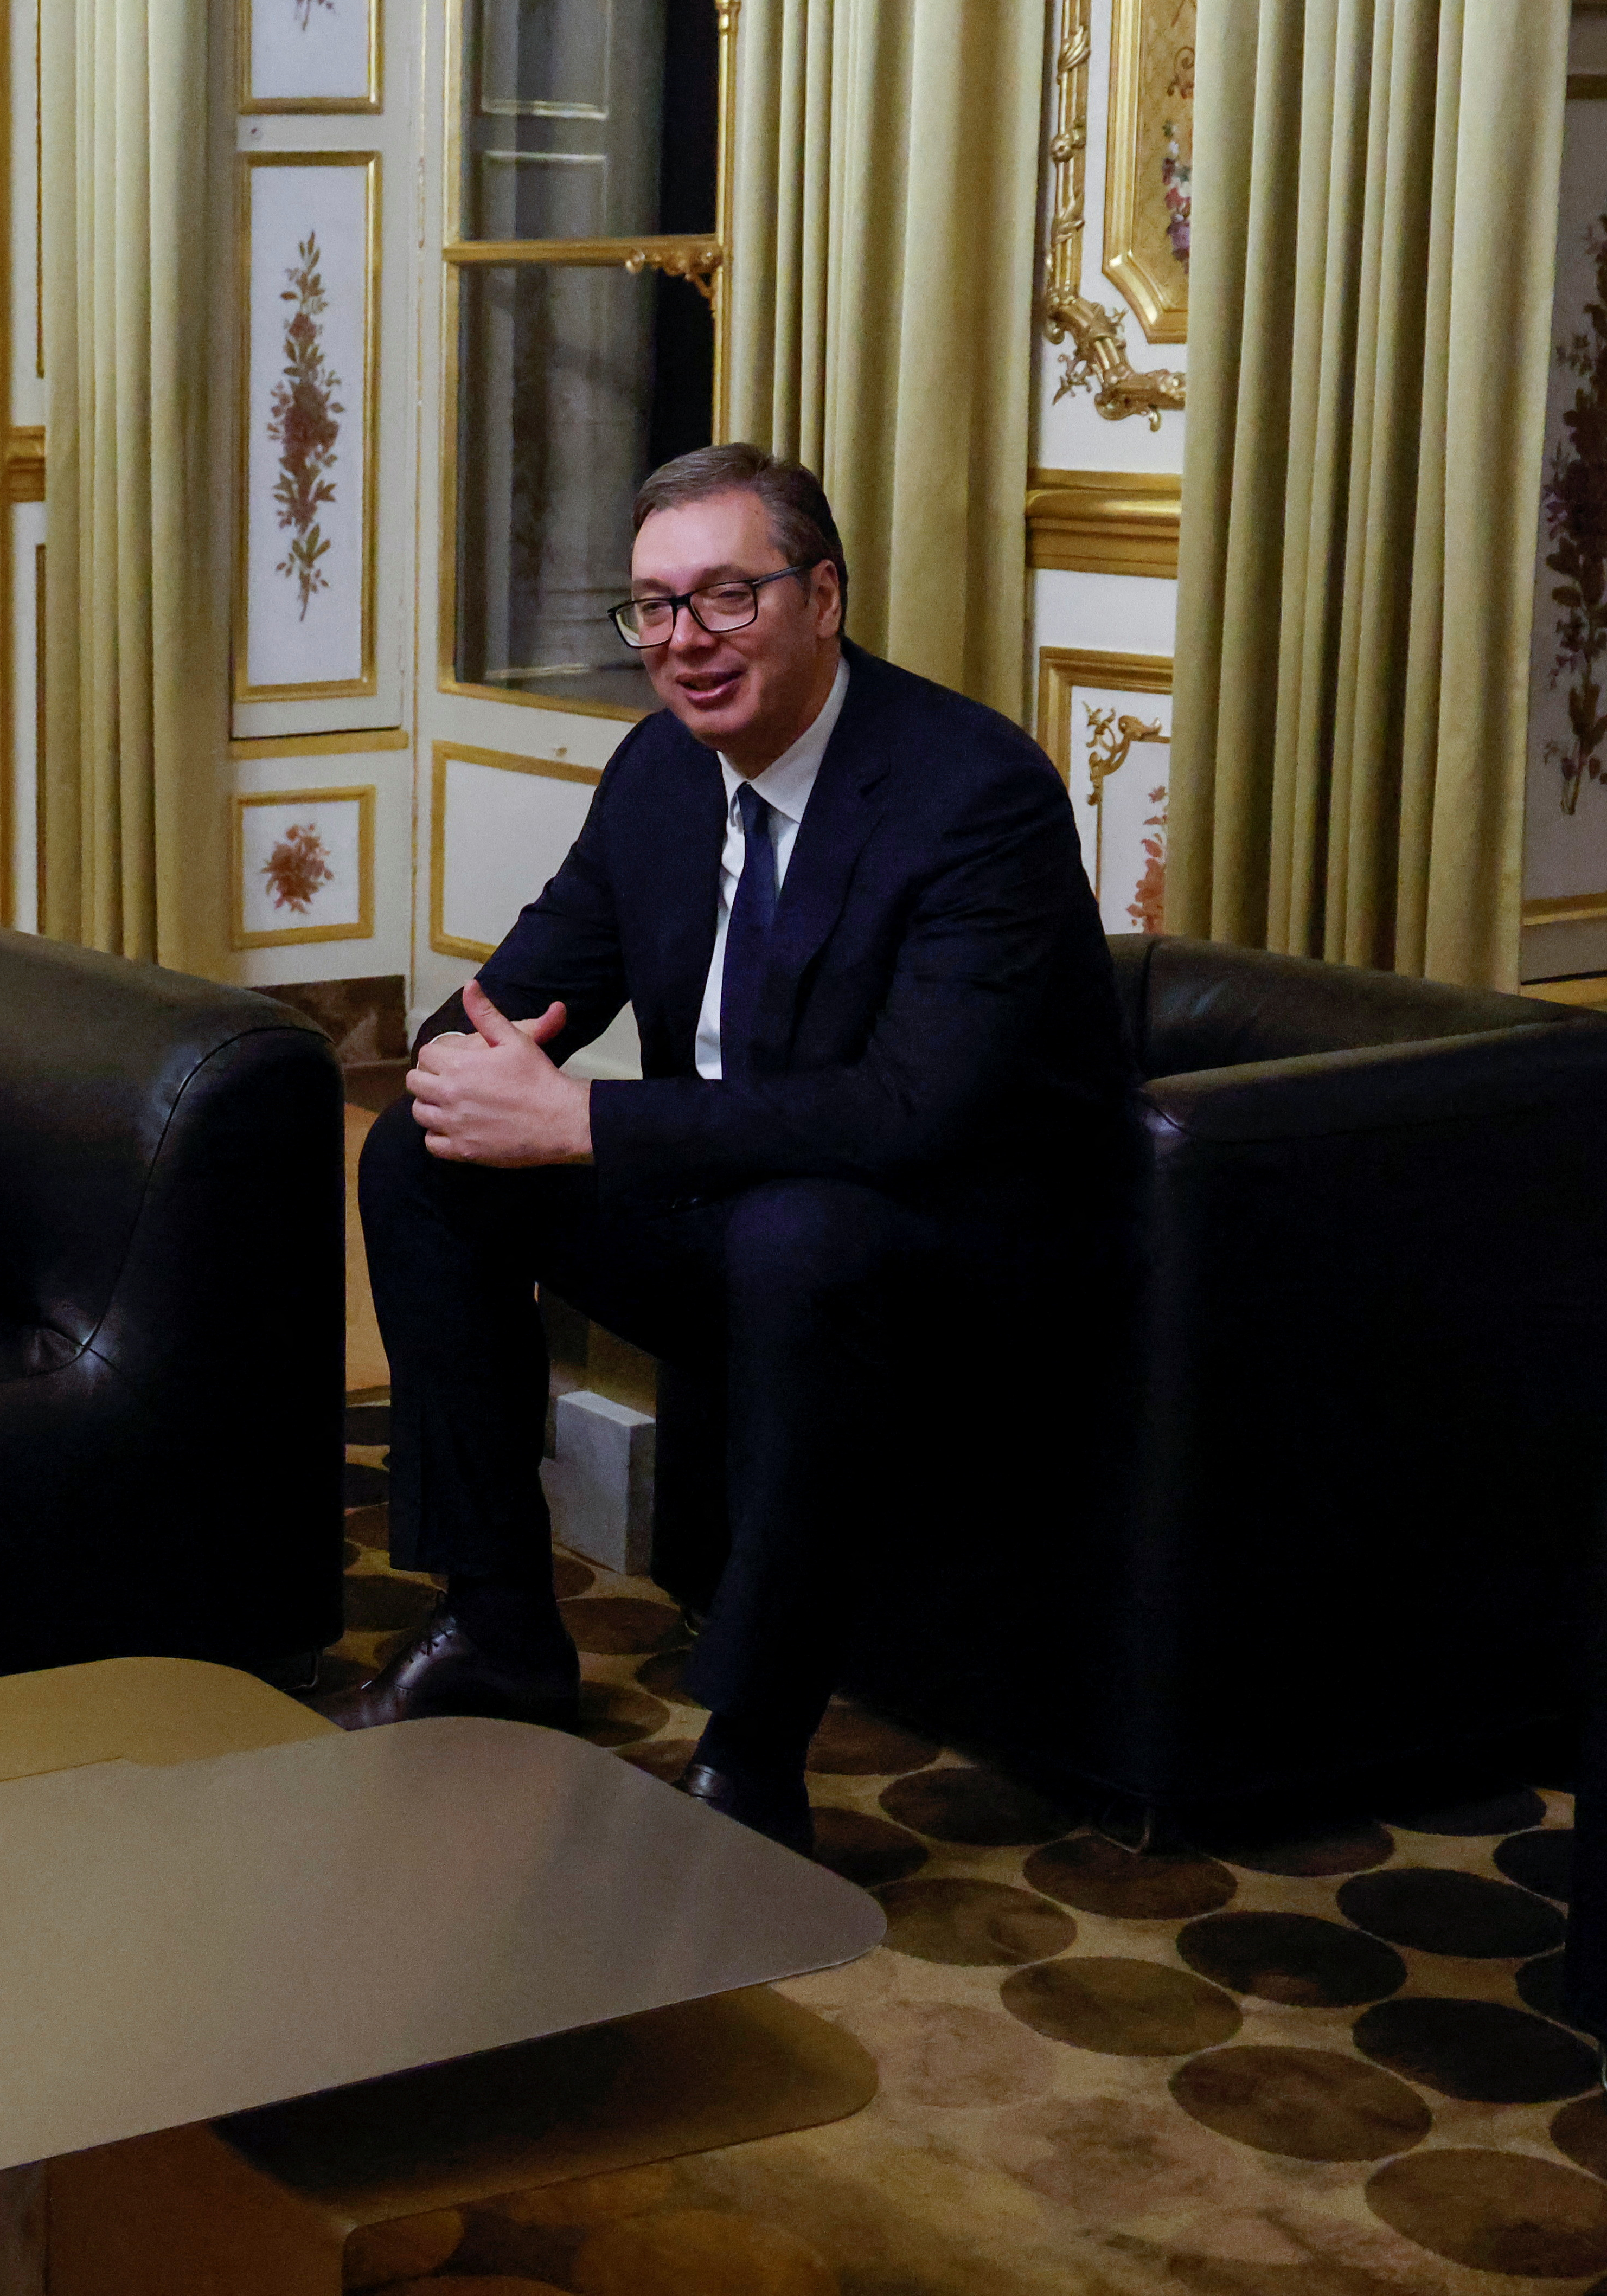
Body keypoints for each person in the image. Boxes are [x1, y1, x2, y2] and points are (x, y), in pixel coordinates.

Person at [345, 445, 1126, 1851]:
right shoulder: (658, 767)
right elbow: (517, 981)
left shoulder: (969, 791)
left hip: (946, 1242)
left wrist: (578, 1117)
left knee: (796, 1235)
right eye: (651, 607)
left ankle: (751, 1749)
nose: (681, 642)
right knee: (419, 1157)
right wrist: (471, 1059)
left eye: (723, 597)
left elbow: (911, 1112)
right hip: (734, 1205)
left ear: (820, 596)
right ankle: (496, 1623)